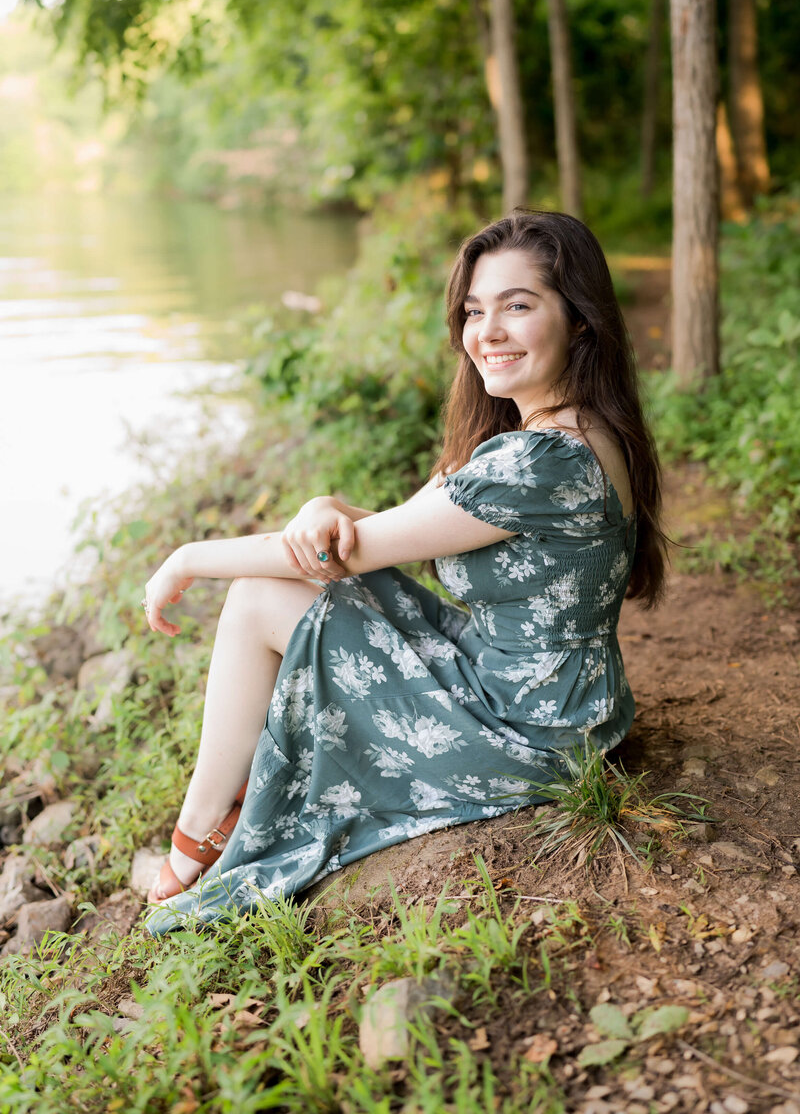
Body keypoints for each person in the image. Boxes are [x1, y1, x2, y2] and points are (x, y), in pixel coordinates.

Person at [141, 210, 666, 933]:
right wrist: (326, 504)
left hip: (528, 729)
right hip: (562, 703)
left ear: (579, 320)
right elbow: (385, 528)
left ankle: (198, 834)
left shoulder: (540, 463)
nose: (488, 331)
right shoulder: (567, 432)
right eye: (476, 310)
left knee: (261, 593)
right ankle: (212, 820)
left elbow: (350, 552)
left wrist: (186, 559)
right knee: (283, 587)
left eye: (519, 305)